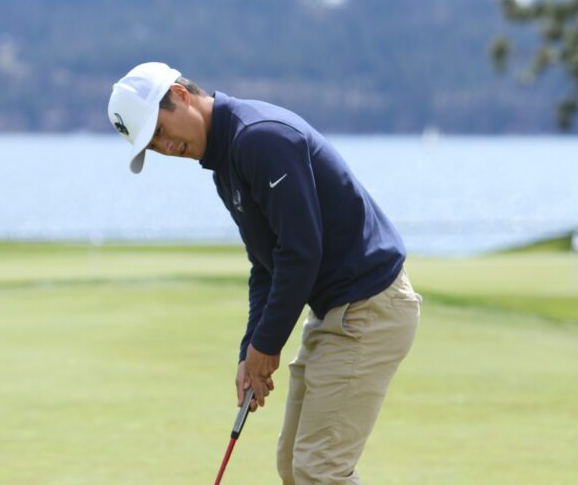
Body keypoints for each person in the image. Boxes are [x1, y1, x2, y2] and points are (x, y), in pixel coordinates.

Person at [107, 62, 420, 484]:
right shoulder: (226, 164)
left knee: (319, 469)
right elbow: (267, 265)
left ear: (180, 95)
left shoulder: (259, 138)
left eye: (160, 130)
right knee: (294, 467)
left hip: (368, 308)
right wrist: (249, 350)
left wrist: (267, 345)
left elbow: (301, 251)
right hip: (337, 311)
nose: (165, 146)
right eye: (153, 144)